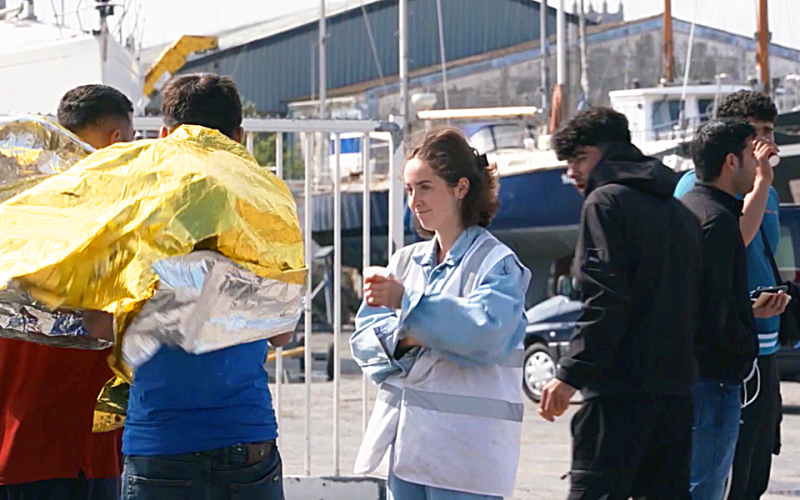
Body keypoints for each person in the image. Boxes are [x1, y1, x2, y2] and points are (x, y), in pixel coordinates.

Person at [118, 74, 291, 500]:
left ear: (164, 135)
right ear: (239, 137)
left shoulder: (133, 205)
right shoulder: (266, 202)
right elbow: (283, 327)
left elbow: (100, 323)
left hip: (161, 440)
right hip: (244, 436)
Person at [350, 127, 530, 500]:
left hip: (467, 461)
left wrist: (408, 310)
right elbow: (364, 343)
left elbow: (485, 335)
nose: (414, 201)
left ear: (460, 188)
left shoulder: (498, 264)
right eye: (409, 189)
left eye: (425, 187)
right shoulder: (405, 261)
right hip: (407, 454)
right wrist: (417, 332)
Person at [539, 107, 703, 499]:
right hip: (676, 391)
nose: (572, 172)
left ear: (610, 152)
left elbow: (605, 298)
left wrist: (571, 373)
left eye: (580, 158)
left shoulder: (605, 203)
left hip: (618, 392)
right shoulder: (680, 213)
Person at [0, 84, 134, 500]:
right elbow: (108, 320)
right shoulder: (110, 210)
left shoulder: (17, 202)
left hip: (15, 431)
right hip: (81, 443)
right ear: (115, 140)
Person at [674, 91, 788, 500]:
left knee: (755, 462)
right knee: (715, 475)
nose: (765, 145)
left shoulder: (766, 190)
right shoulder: (702, 194)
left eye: (769, 133)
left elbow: (761, 252)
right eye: (753, 137)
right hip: (721, 355)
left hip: (762, 341)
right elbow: (727, 247)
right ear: (732, 153)